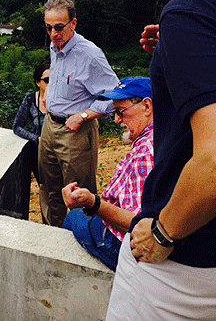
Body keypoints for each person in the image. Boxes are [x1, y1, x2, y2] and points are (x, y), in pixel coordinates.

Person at [106, 0, 216, 321]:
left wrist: (163, 233)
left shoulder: (189, 14)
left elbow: (213, 158)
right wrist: (173, 54)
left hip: (188, 264)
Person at [39, 0, 119, 227]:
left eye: (59, 27)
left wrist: (84, 115)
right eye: (48, 28)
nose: (54, 34)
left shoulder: (90, 55)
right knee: (49, 190)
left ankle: (81, 243)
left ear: (73, 24)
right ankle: (52, 237)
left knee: (78, 194)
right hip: (50, 126)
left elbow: (114, 95)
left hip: (76, 132)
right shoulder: (56, 47)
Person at [62, 77, 154, 272]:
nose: (116, 120)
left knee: (73, 217)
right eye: (114, 112)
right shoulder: (157, 136)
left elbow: (137, 226)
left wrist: (92, 203)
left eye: (121, 112)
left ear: (147, 106)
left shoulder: (147, 151)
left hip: (122, 246)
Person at [13, 61, 50, 184]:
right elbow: (17, 126)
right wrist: (36, 138)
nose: (51, 84)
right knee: (44, 187)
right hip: (39, 152)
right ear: (38, 83)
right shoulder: (30, 100)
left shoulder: (61, 100)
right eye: (47, 80)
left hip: (58, 149)